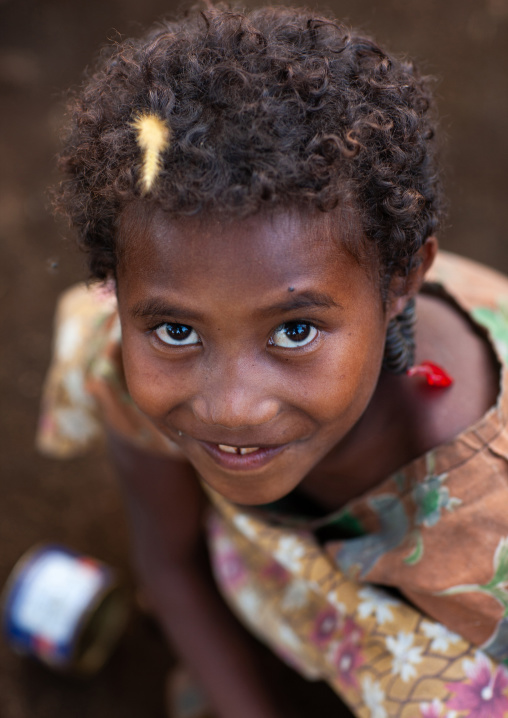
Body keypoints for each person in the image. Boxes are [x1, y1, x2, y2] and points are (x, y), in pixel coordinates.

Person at [38, 4, 508, 717]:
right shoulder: (121, 357)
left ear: (403, 278)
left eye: (293, 331)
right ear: (119, 289)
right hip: (274, 574)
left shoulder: (487, 547)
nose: (231, 407)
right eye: (175, 331)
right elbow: (168, 565)